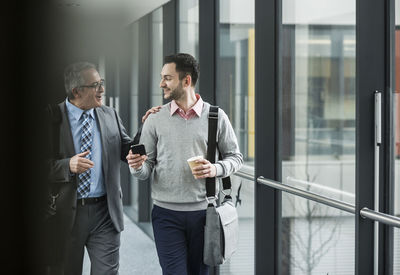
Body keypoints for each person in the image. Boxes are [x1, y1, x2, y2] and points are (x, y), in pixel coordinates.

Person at [126, 53, 243, 275]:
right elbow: (145, 170)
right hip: (166, 215)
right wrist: (136, 165)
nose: (161, 84)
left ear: (186, 80)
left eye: (167, 78)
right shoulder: (155, 118)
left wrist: (214, 169)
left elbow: (236, 157)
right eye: (162, 77)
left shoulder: (216, 117)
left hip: (205, 215)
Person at [45, 62, 158, 275]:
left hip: (105, 213)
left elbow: (126, 148)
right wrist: (67, 165)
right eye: (95, 85)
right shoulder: (51, 118)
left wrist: (146, 126)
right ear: (76, 91)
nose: (102, 90)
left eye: (101, 83)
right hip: (66, 215)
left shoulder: (109, 114)